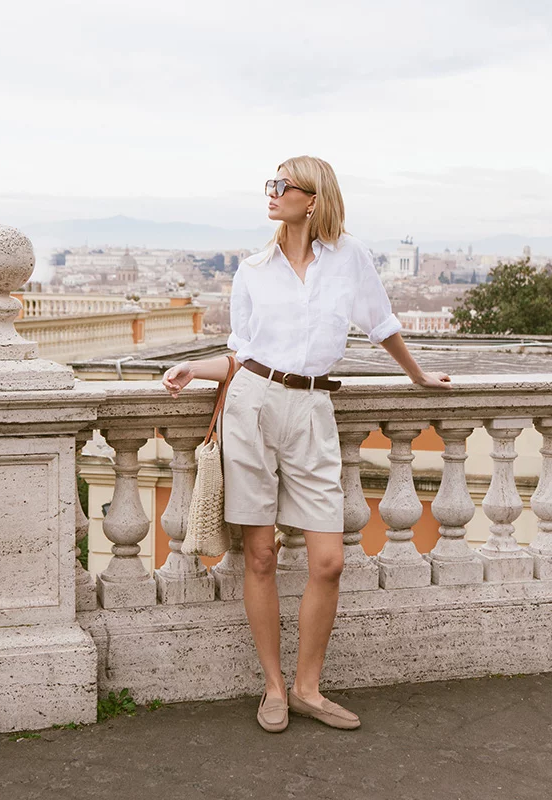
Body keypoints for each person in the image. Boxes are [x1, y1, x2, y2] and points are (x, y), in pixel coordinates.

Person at [162, 155, 451, 733]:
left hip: (314, 409)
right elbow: (242, 353)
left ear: (313, 198)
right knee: (260, 555)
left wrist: (417, 375)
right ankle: (275, 688)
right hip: (252, 405)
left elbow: (382, 323)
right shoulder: (252, 269)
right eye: (270, 184)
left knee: (329, 561)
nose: (271, 192)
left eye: (283, 185)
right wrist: (195, 368)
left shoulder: (350, 257)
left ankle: (308, 688)